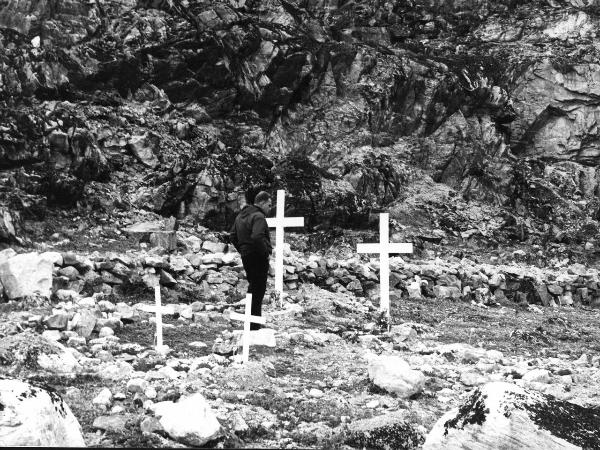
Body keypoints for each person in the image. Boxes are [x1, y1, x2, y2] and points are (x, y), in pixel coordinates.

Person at [229, 190, 273, 330]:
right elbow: (257, 236)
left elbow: (232, 236)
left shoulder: (241, 215)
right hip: (258, 256)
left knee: (252, 286)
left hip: (247, 256)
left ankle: (252, 321)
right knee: (259, 288)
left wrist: (243, 250)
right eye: (269, 205)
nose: (270, 208)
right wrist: (265, 253)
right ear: (262, 202)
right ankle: (254, 325)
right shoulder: (259, 216)